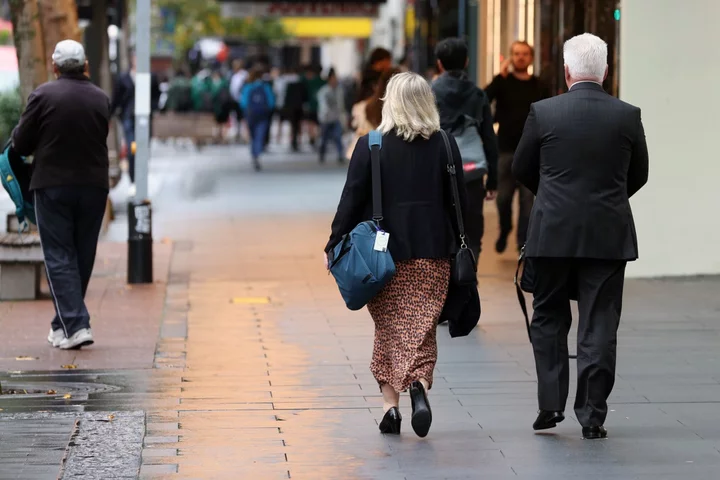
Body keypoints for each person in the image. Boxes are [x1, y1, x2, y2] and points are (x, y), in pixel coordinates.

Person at [512, 33, 649, 440]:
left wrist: (553, 197)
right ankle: (592, 415)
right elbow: (638, 174)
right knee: (599, 321)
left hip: (551, 232)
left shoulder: (543, 112)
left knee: (549, 315)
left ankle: (550, 405)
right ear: (606, 71)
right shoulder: (627, 114)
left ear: (567, 70)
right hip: (607, 235)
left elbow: (522, 167)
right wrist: (606, 200)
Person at [325, 72, 468, 438]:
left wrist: (335, 243)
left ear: (391, 102)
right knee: (419, 327)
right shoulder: (446, 144)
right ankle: (417, 384)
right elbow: (459, 202)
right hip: (434, 253)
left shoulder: (370, 145)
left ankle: (391, 407)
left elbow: (350, 200)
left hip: (381, 256)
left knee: (389, 328)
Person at [12, 40, 111, 350]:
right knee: (82, 255)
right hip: (94, 186)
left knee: (58, 256)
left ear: (54, 67)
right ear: (85, 67)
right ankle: (63, 324)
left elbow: (21, 144)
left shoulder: (42, 96)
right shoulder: (101, 98)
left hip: (52, 185)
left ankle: (77, 324)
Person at [432, 38, 499, 263]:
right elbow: (489, 138)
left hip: (438, 168)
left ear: (439, 63)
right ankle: (469, 268)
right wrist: (493, 180)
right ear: (467, 61)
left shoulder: (430, 92)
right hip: (471, 170)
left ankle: (448, 272)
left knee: (441, 221)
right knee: (472, 223)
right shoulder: (478, 94)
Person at [485, 40, 549, 254]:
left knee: (527, 204)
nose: (521, 57)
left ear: (531, 58)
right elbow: (483, 99)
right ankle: (505, 229)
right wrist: (499, 77)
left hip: (532, 153)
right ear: (511, 57)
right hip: (506, 150)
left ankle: (523, 244)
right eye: (516, 54)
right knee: (502, 199)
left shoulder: (540, 85)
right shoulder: (503, 82)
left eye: (524, 54)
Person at [110, 52, 160, 196]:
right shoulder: (123, 78)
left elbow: (156, 95)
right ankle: (133, 180)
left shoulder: (149, 77)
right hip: (128, 118)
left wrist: (153, 107)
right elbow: (116, 98)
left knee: (143, 150)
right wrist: (109, 115)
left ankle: (141, 180)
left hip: (144, 119)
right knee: (133, 149)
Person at [240, 66, 275, 171]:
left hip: (251, 114)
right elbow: (271, 101)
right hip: (263, 114)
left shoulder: (248, 86)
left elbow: (244, 102)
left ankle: (254, 152)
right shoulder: (265, 86)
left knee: (253, 135)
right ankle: (257, 152)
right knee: (260, 134)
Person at [316, 69, 346, 164]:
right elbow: (322, 105)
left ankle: (340, 155)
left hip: (336, 117)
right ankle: (322, 154)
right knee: (324, 138)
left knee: (338, 136)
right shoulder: (324, 91)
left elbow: (341, 104)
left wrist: (343, 116)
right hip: (326, 118)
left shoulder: (339, 90)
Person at [302, 65, 325, 148]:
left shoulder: (310, 82)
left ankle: (312, 138)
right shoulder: (324, 82)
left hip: (311, 106)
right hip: (322, 107)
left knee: (311, 123)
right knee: (319, 124)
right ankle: (317, 137)